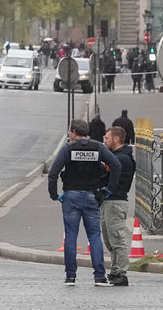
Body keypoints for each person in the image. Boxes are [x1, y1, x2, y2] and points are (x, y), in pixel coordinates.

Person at [47, 118, 121, 286]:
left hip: (71, 195)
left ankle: (70, 276)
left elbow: (53, 173)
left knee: (71, 237)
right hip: (92, 195)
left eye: (70, 132)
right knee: (95, 236)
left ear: (73, 132)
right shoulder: (98, 147)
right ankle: (99, 276)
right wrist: (108, 190)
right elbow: (115, 165)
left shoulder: (68, 149)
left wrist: (54, 194)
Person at [99, 126, 136, 287]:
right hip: (109, 201)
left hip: (116, 200)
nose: (104, 141)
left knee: (117, 238)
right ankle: (115, 270)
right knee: (109, 239)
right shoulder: (116, 156)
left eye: (107, 138)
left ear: (115, 139)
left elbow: (106, 175)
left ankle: (121, 272)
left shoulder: (121, 159)